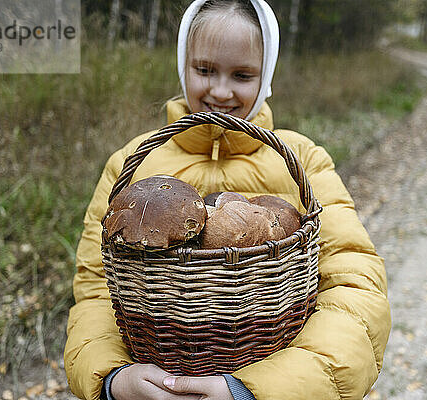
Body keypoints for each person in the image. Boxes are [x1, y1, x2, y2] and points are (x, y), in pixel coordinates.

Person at [64, 0, 391, 399]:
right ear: (183, 66)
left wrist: (254, 391)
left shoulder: (302, 160)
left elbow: (355, 288)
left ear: (265, 76)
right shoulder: (131, 164)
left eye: (242, 74)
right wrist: (113, 379)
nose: (220, 90)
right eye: (204, 70)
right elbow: (97, 289)